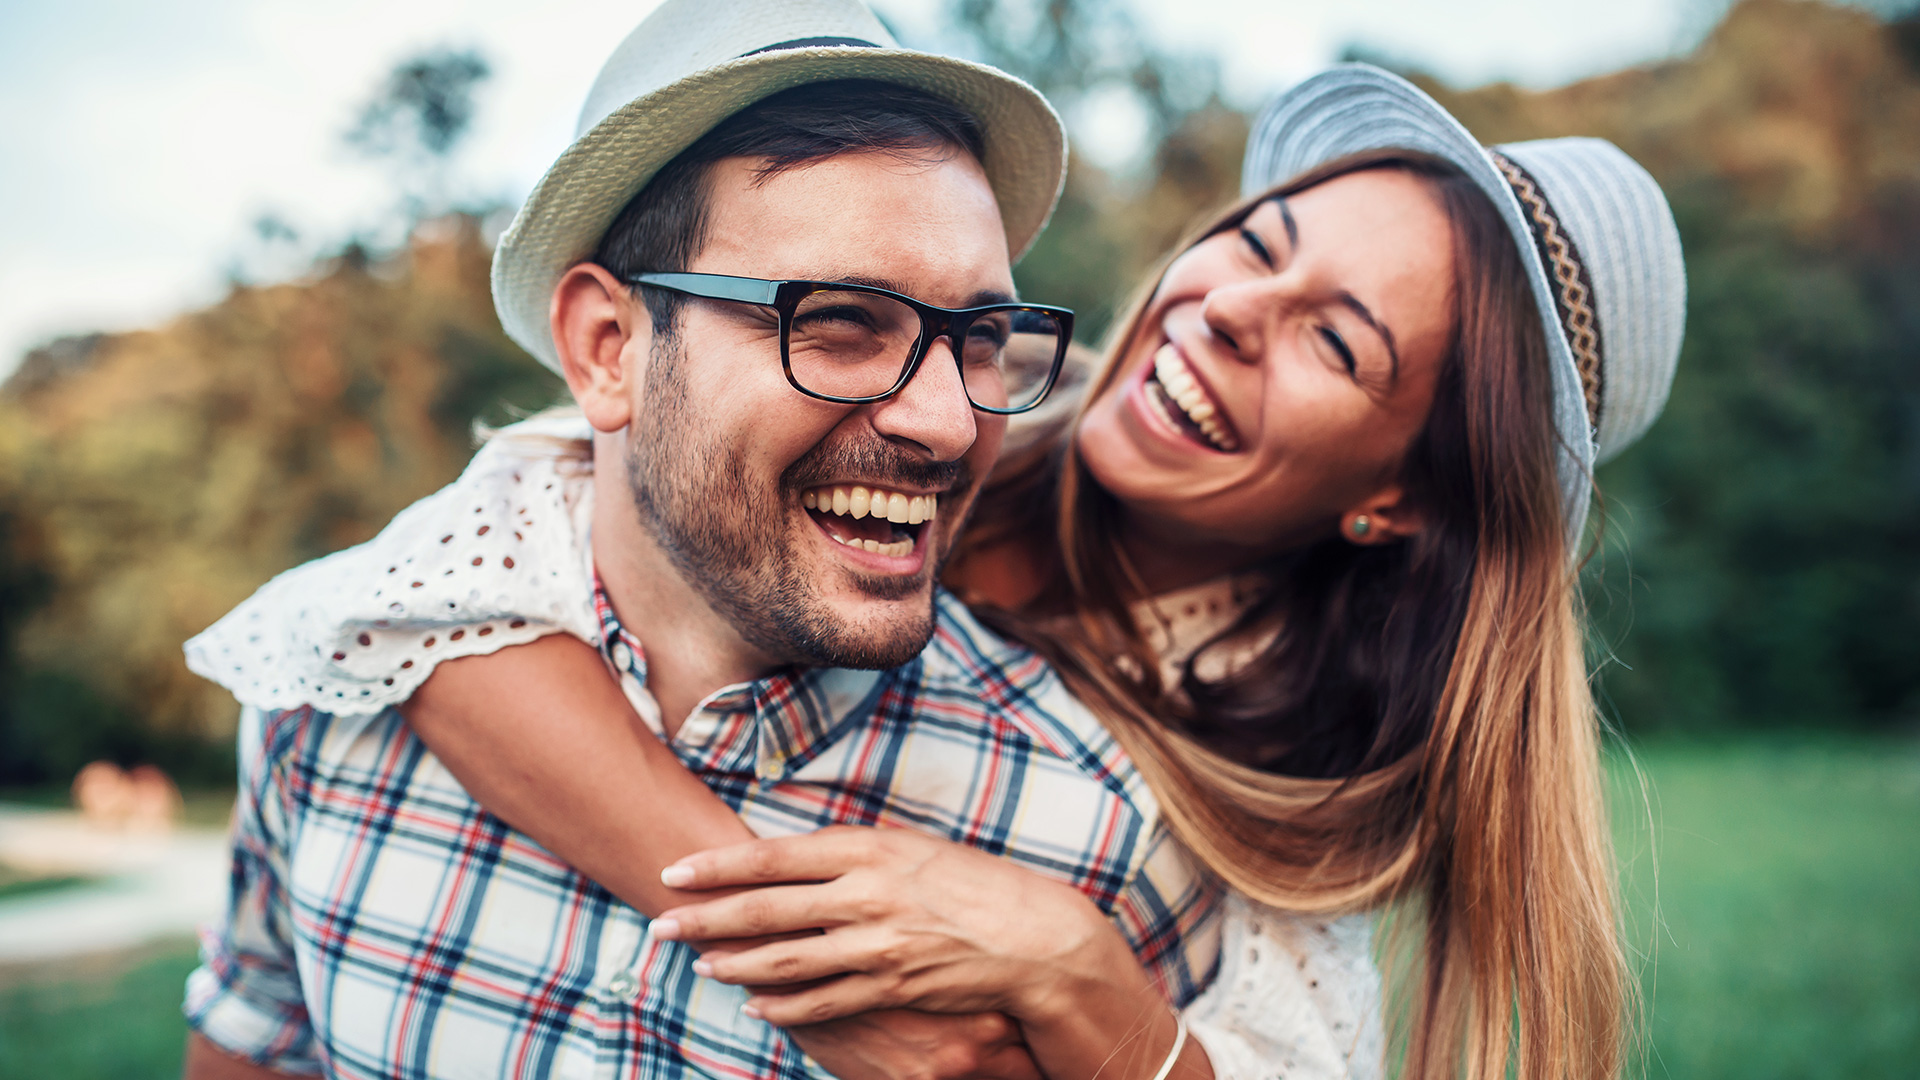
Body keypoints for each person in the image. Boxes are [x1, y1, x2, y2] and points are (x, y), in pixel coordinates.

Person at [196, 65, 1686, 1080]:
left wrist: (1080, 981)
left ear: (1397, 500)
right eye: (1258, 244)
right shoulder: (937, 400)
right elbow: (430, 603)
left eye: (1337, 341)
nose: (1232, 311)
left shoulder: (1249, 809)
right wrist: (792, 942)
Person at [178, 3, 1226, 1078]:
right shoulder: (339, 699)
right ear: (606, 350)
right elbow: (254, 1039)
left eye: (984, 338)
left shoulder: (1103, 841)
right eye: (841, 320)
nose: (951, 422)